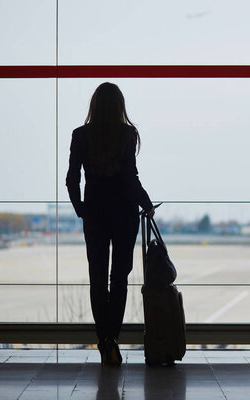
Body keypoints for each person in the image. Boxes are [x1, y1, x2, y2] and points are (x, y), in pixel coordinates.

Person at [66, 82, 155, 366]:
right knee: (119, 279)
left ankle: (103, 338)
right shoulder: (128, 134)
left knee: (97, 277)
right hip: (124, 214)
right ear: (119, 105)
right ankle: (112, 338)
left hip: (94, 213)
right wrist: (147, 204)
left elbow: (72, 178)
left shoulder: (80, 135)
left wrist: (80, 208)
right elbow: (131, 177)